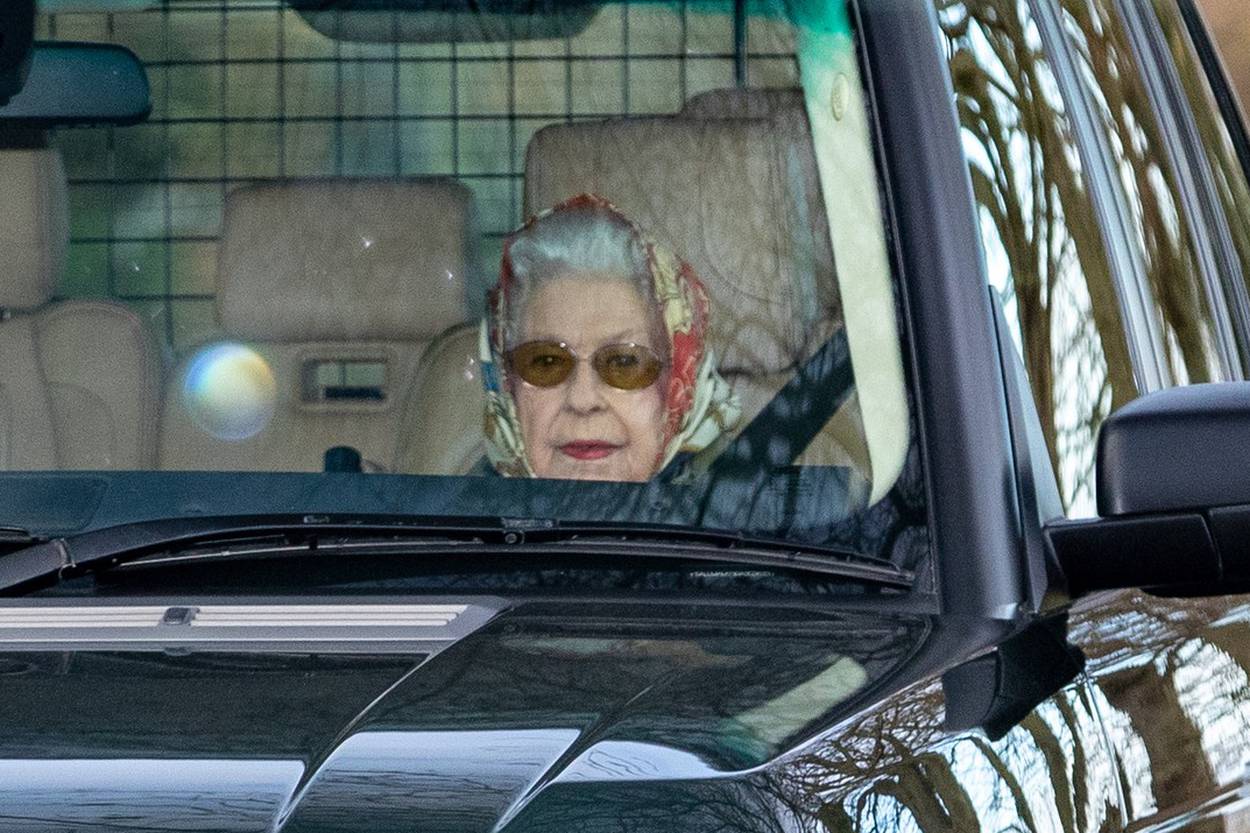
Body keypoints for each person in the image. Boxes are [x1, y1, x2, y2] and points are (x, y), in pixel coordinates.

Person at [479, 193, 741, 481]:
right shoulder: (455, 517)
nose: (582, 400)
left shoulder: (751, 513)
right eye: (546, 361)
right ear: (507, 387)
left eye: (625, 362)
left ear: (682, 387)